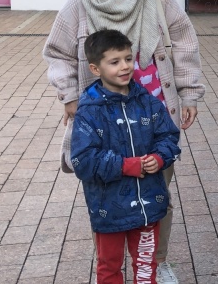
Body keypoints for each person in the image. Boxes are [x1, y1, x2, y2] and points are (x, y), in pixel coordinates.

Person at [43, 0, 205, 284]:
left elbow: (184, 44)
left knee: (157, 191)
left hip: (153, 114)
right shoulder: (81, 2)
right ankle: (111, 264)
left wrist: (189, 92)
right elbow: (59, 52)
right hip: (102, 119)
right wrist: (70, 95)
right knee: (108, 188)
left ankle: (156, 261)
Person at [71, 29, 181, 284]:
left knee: (145, 267)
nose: (125, 67)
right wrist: (126, 166)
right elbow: (83, 161)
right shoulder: (89, 110)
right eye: (114, 62)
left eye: (128, 59)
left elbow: (169, 136)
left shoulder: (148, 101)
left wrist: (161, 157)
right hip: (109, 209)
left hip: (148, 208)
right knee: (109, 267)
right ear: (95, 69)